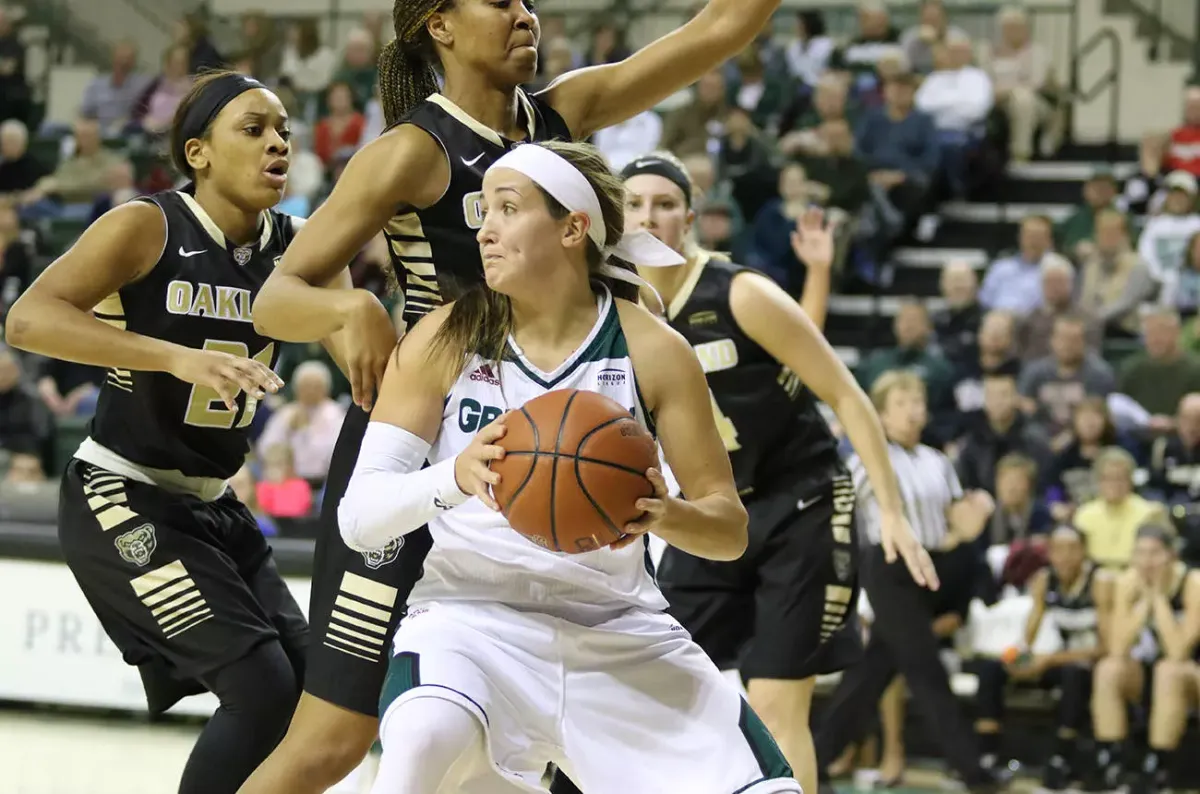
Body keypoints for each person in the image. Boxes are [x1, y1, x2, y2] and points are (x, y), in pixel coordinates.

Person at [243, 1, 805, 791]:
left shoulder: (562, 114)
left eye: (529, 2)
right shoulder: (412, 150)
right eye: (500, 1)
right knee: (337, 737)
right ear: (438, 24)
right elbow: (276, 297)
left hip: (564, 421)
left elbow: (715, 31)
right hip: (438, 432)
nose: (525, 14)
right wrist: (352, 310)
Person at [340, 139, 798, 794]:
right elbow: (360, 519)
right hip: (469, 624)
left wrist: (662, 514)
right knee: (416, 754)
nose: (486, 229)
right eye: (483, 211)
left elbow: (728, 531)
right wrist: (455, 475)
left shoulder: (652, 349)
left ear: (573, 228)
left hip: (617, 630)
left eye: (507, 207)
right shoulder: (444, 337)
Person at [3, 72, 312, 794]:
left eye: (285, 130)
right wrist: (176, 357)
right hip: (123, 493)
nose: (278, 142)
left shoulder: (294, 245)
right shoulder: (150, 224)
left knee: (312, 690)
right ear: (197, 152)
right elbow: (27, 319)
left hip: (214, 506)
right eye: (255, 128)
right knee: (262, 690)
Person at [621, 152, 937, 794]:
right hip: (713, 517)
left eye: (664, 203)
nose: (648, 217)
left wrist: (894, 512)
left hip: (804, 504)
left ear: (692, 216)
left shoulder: (739, 291)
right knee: (663, 695)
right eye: (633, 204)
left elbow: (846, 393)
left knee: (773, 703)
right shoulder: (616, 311)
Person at [813, 371, 1009, 794]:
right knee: (927, 671)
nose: (913, 411)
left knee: (870, 675)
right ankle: (973, 772)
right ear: (880, 415)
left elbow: (958, 521)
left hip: (934, 570)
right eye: (901, 403)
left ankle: (815, 759)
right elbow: (841, 519)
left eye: (918, 401)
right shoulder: (867, 459)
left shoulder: (938, 460)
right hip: (888, 568)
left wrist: (976, 513)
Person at [972, 526, 1114, 791]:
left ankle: (1062, 759)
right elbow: (1029, 635)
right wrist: (1016, 656)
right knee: (992, 668)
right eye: (1058, 550)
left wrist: (1049, 660)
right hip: (1055, 656)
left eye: (1072, 549)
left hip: (1093, 662)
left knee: (1074, 675)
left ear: (1084, 552)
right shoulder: (1044, 579)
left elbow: (1107, 647)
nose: (1065, 557)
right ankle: (986, 753)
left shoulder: (1100, 581)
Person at [1089, 525, 1200, 794]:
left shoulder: (1193, 582)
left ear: (1172, 555)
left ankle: (1158, 770)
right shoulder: (1127, 582)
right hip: (1147, 675)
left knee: (1169, 671)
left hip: (1190, 675)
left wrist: (1158, 598)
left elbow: (1179, 651)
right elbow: (1117, 648)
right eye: (1139, 553)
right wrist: (1140, 604)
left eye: (1154, 553)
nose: (1146, 562)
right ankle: (1112, 764)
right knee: (1108, 669)